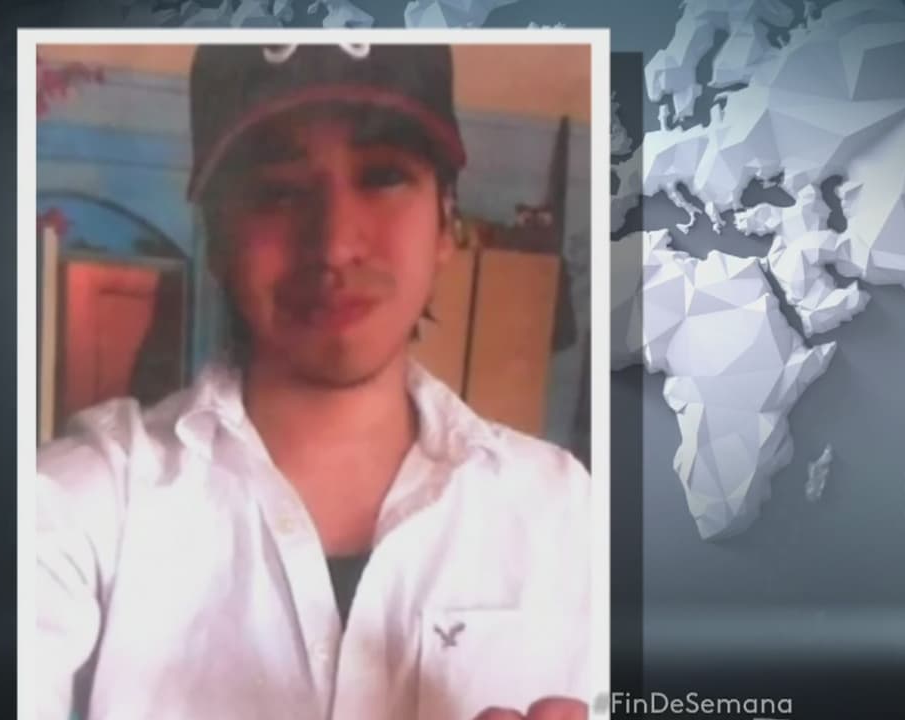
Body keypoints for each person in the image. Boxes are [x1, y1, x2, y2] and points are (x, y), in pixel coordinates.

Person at [36, 43, 592, 720]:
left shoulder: (561, 512)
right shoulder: (84, 505)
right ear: (216, 236)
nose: (333, 245)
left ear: (447, 221)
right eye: (277, 191)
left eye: (382, 176)